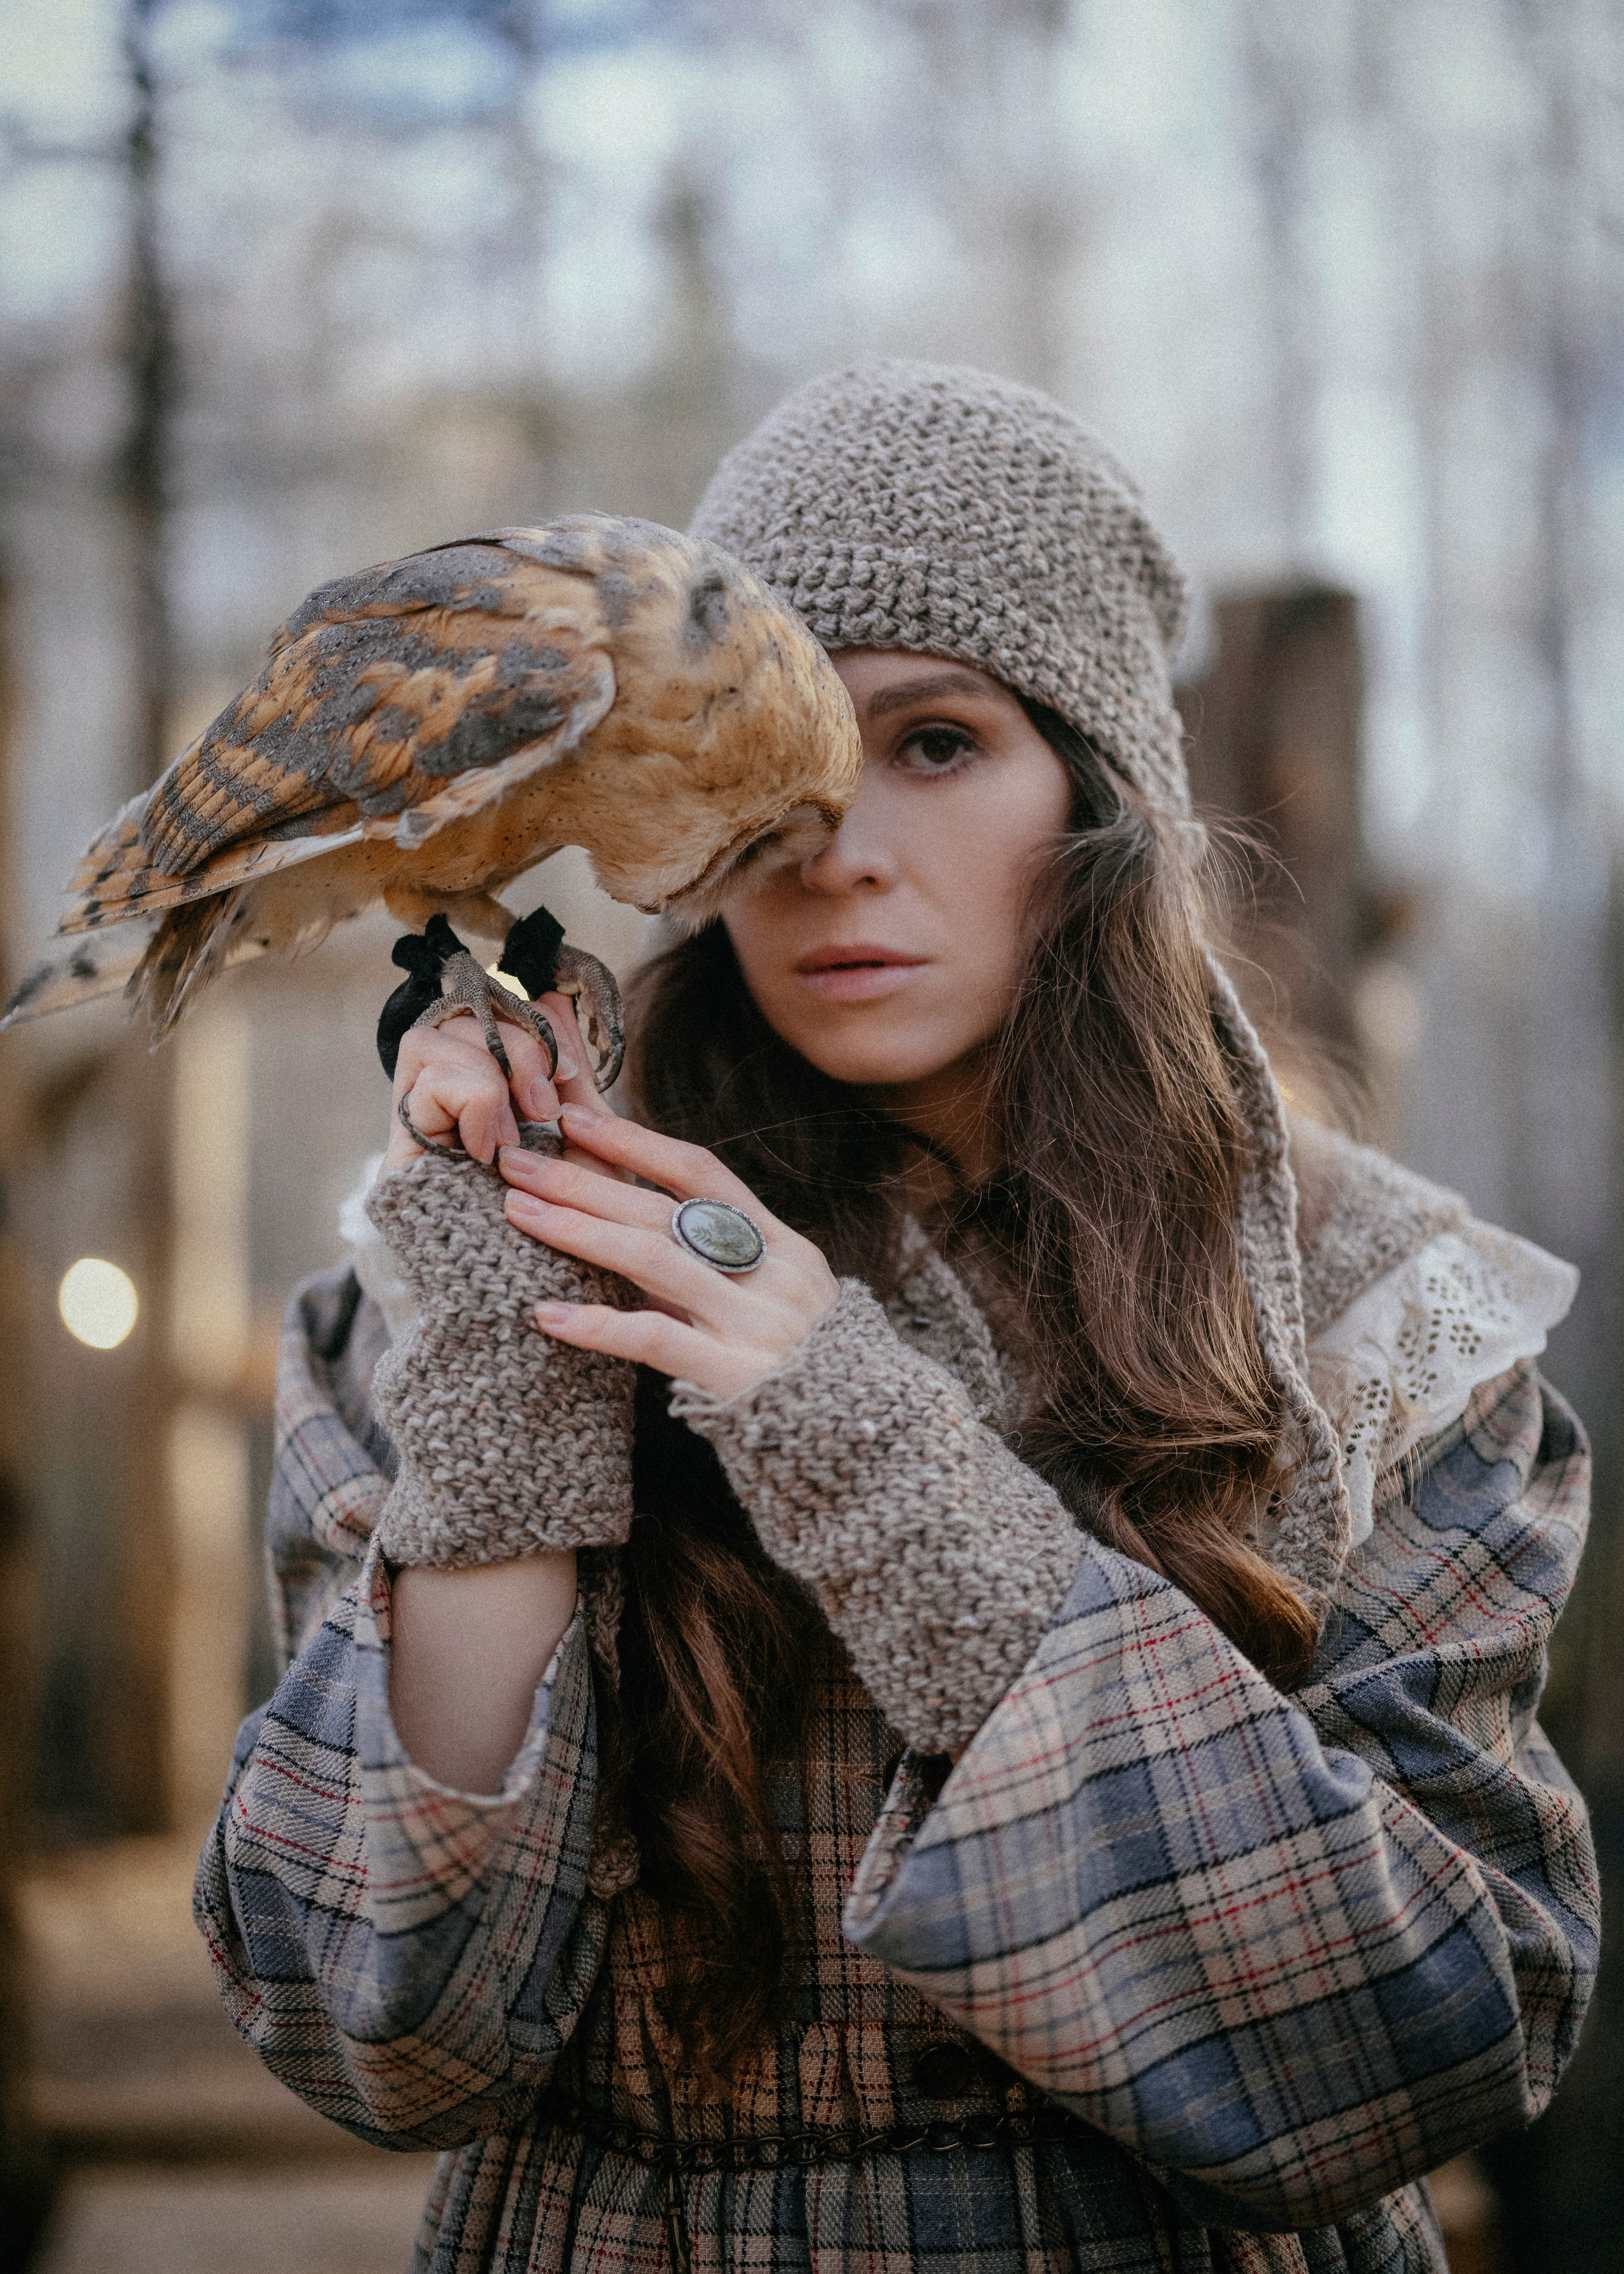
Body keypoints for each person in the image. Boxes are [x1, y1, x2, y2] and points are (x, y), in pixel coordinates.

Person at [195, 362, 1598, 2274]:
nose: (836, 845)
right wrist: (519, 1385)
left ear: (1099, 791)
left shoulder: (1383, 1316)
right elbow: (381, 2032)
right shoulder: (461, 1282)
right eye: (768, 767)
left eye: (934, 742)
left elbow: (1425, 2046)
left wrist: (870, 1453)